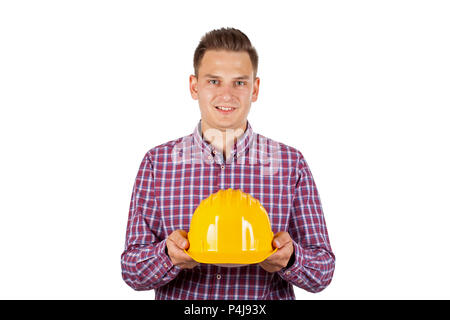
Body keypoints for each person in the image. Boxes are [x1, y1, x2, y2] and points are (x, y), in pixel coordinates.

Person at [121, 27, 335, 300]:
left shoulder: (290, 163)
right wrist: (167, 256)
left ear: (254, 89)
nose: (226, 95)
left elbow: (323, 271)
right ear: (194, 85)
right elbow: (131, 270)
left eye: (239, 82)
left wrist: (291, 259)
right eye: (213, 81)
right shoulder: (158, 163)